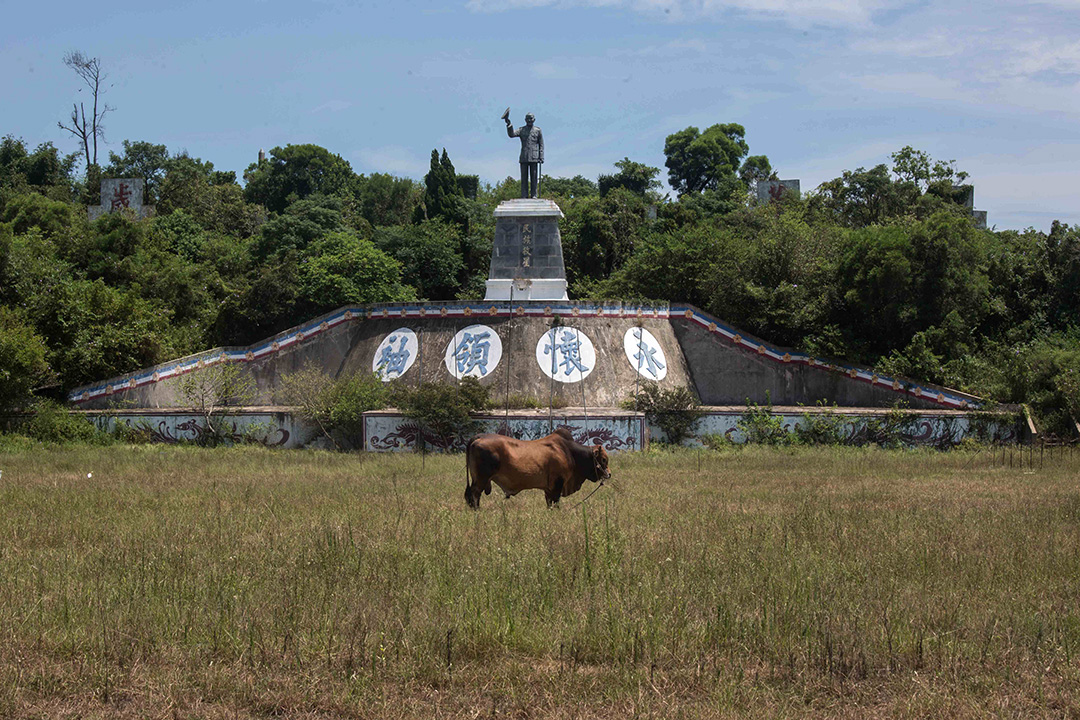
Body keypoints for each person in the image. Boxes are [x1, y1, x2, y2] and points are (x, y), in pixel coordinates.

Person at [506, 112, 544, 198]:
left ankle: (534, 194)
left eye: (531, 118)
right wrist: (508, 124)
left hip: (534, 157)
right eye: (528, 118)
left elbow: (541, 144)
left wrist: (541, 156)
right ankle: (524, 194)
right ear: (525, 120)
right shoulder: (521, 130)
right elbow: (511, 134)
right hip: (524, 156)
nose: (529, 120)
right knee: (524, 178)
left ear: (534, 119)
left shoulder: (538, 130)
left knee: (534, 177)